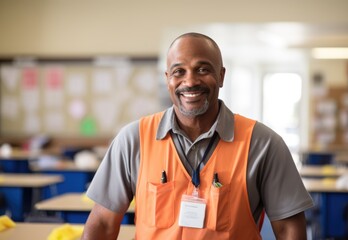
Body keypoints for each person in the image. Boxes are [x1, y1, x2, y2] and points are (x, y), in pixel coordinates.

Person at [81, 32, 314, 240]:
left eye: (203, 69)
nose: (190, 81)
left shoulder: (263, 144)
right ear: (168, 80)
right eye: (179, 71)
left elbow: (288, 229)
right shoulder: (133, 140)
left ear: (221, 76)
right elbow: (102, 223)